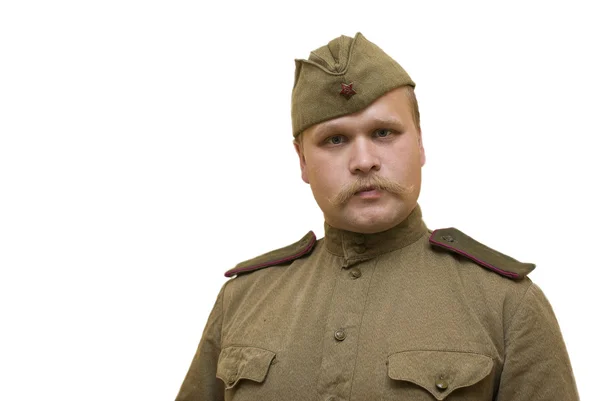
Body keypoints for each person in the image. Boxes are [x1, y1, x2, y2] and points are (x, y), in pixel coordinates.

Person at [175, 32, 579, 401]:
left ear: (420, 145)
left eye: (384, 133)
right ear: (302, 161)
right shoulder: (244, 298)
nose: (364, 161)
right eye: (335, 140)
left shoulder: (507, 304)